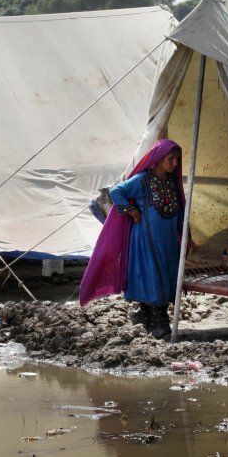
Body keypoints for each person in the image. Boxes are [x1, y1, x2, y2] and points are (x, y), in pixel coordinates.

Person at [79, 139, 186, 339]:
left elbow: (179, 209)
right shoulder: (142, 180)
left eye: (176, 160)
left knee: (166, 275)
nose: (174, 164)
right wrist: (131, 210)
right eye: (170, 159)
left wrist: (185, 235)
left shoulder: (171, 182)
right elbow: (116, 191)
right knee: (152, 275)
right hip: (146, 240)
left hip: (168, 241)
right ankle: (157, 322)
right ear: (158, 159)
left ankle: (144, 316)